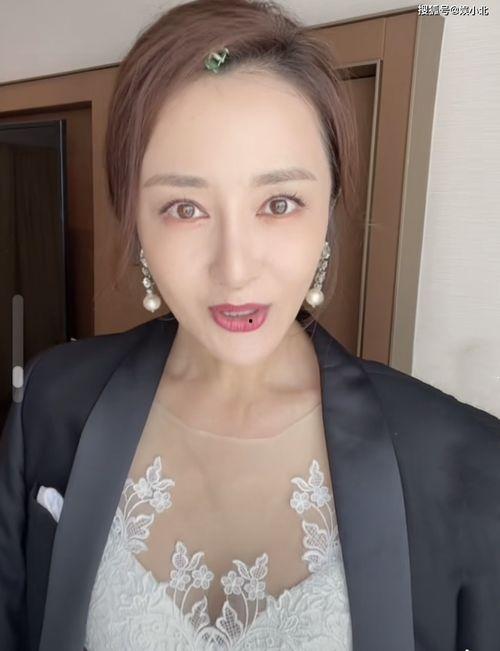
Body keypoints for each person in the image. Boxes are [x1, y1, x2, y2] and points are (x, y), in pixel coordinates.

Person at [1, 1, 499, 650]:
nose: (234, 270)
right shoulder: (54, 400)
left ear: (328, 209)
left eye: (279, 203)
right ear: (136, 222)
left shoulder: (467, 463)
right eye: (184, 207)